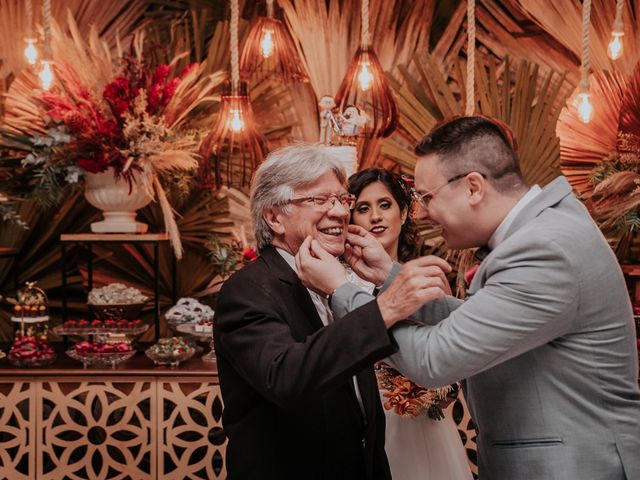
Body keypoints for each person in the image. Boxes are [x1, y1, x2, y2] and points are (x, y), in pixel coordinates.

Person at [296, 116, 640, 479]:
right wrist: (389, 274)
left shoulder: (544, 249)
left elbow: (435, 359)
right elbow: (483, 319)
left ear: (473, 187)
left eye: (427, 198)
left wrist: (343, 292)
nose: (423, 213)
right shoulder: (545, 230)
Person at [213, 144, 397, 480]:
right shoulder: (248, 290)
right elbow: (285, 377)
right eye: (320, 200)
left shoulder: (338, 278)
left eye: (343, 199)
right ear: (274, 217)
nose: (341, 212)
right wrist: (381, 310)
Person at [348, 168, 472, 480]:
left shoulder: (426, 276)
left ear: (403, 213)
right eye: (363, 208)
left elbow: (453, 351)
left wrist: (434, 389)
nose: (375, 216)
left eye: (385, 205)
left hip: (419, 423)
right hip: (361, 422)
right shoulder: (341, 289)